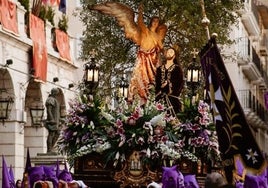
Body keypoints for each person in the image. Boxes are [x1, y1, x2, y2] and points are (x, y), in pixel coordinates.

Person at [91, 2, 167, 104]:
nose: (155, 23)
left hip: (152, 62)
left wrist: (171, 54)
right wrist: (140, 12)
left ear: (158, 24)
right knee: (139, 78)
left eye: (157, 22)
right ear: (151, 22)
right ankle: (139, 100)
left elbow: (162, 49)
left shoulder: (157, 37)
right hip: (143, 59)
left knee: (151, 81)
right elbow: (140, 23)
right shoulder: (145, 31)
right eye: (153, 20)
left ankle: (149, 100)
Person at [155, 48, 184, 116]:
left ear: (174, 56)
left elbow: (180, 82)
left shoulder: (177, 69)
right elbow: (156, 82)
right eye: (168, 52)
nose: (169, 53)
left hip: (172, 99)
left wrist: (168, 84)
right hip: (159, 98)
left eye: (171, 52)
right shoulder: (159, 69)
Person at [45, 88, 60, 153]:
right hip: (52, 120)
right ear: (54, 93)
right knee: (51, 134)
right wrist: (51, 119)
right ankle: (49, 150)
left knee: (57, 133)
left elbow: (56, 111)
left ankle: (51, 148)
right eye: (56, 93)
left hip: (56, 120)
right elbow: (49, 110)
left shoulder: (54, 100)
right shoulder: (50, 99)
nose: (57, 95)